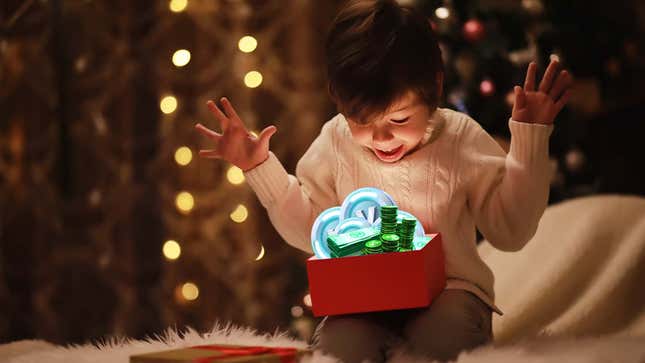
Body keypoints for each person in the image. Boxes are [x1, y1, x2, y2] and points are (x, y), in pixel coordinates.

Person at [195, 1, 572, 361]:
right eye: (362, 123)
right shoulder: (335, 140)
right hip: (363, 299)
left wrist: (530, 137)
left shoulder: (460, 138)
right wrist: (260, 166)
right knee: (338, 346)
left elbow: (510, 230)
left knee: (443, 336)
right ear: (339, 101)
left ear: (435, 90)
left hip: (452, 291)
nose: (381, 139)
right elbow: (310, 229)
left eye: (399, 120)